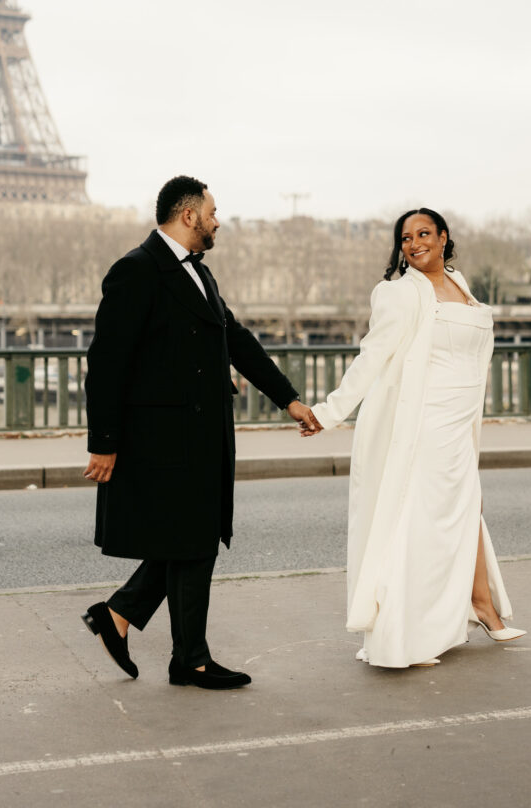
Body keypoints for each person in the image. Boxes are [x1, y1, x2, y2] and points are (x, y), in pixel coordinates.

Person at [82, 175, 318, 689]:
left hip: (199, 436)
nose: (217, 221)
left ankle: (129, 622)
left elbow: (236, 339)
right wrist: (103, 442)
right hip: (160, 439)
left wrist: (289, 399)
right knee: (193, 540)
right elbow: (106, 363)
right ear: (188, 215)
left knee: (191, 538)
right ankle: (184, 655)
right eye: (212, 212)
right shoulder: (136, 270)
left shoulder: (199, 276)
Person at [301, 208, 526, 668]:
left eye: (424, 233)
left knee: (466, 512)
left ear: (444, 237)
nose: (414, 243)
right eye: (405, 237)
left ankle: (481, 606)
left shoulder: (461, 285)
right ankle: (407, 633)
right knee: (418, 526)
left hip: (460, 424)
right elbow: (371, 358)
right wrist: (328, 412)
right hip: (423, 427)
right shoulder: (398, 294)